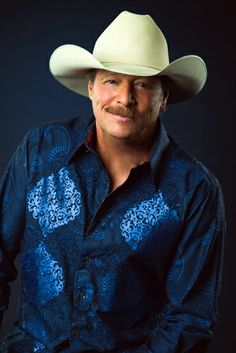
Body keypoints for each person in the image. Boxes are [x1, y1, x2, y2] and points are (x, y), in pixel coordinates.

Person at [0, 10, 225, 353]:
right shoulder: (40, 149)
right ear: (91, 87)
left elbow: (190, 320)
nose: (125, 98)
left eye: (143, 84)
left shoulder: (195, 190)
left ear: (164, 98)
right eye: (111, 81)